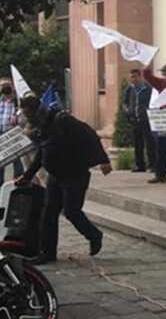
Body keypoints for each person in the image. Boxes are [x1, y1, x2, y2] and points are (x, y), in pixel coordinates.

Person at [15, 97, 111, 264]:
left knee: (71, 212)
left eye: (28, 113)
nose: (28, 118)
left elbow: (90, 135)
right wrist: (27, 176)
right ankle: (47, 253)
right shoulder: (42, 126)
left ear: (36, 110)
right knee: (48, 215)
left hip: (75, 175)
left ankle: (94, 235)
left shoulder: (63, 121)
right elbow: (42, 153)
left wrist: (104, 160)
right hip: (56, 176)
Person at [121, 69, 152, 173]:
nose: (133, 79)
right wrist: (127, 111)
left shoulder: (147, 88)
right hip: (135, 120)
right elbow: (124, 102)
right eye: (131, 77)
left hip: (146, 119)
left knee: (150, 143)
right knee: (138, 144)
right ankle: (140, 165)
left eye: (135, 77)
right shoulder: (129, 89)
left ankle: (152, 165)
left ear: (140, 77)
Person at [0, 77, 26, 185]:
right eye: (2, 87)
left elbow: (25, 118)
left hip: (14, 135)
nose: (5, 89)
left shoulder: (18, 102)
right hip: (1, 135)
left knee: (18, 162)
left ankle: (18, 185)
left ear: (12, 87)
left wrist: (18, 118)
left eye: (7, 86)